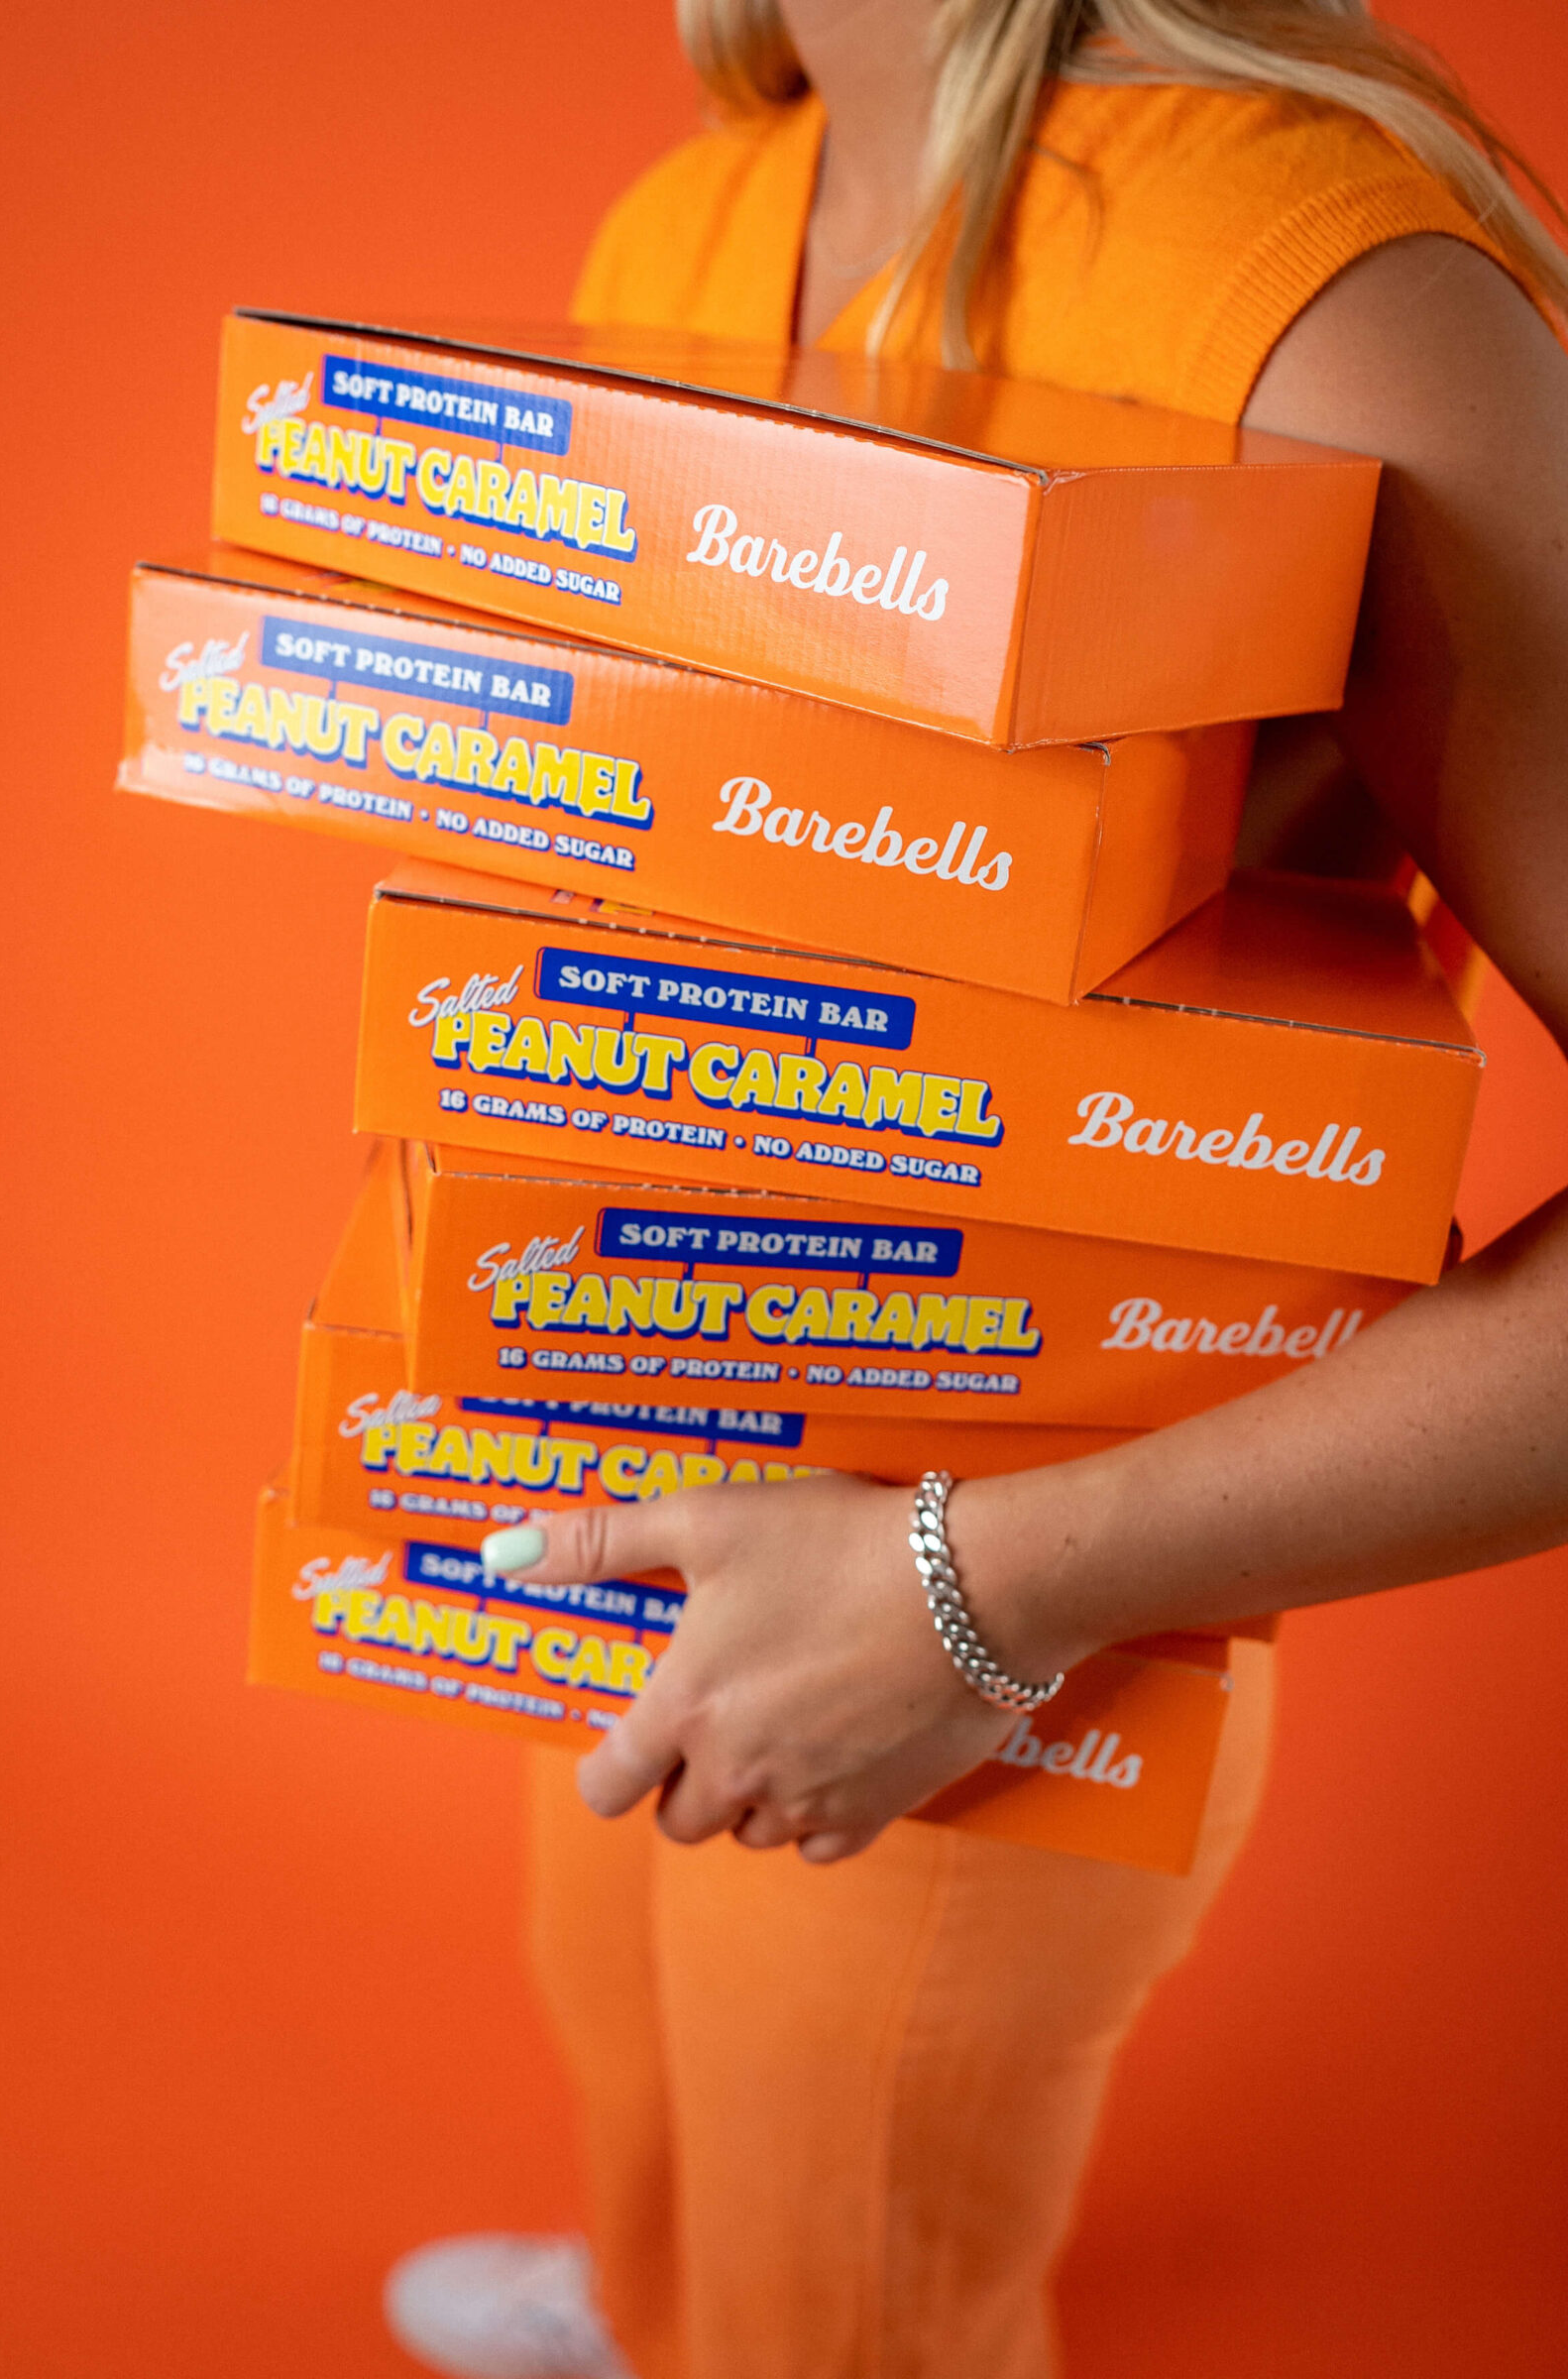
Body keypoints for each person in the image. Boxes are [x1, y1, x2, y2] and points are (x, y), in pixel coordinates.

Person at [383, 4, 1568, 2374]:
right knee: (651, 2084)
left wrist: (974, 1591)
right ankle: (661, 2311)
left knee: (850, 2284)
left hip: (1001, 1618)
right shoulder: (703, 209)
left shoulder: (1339, 302)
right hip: (644, 1461)